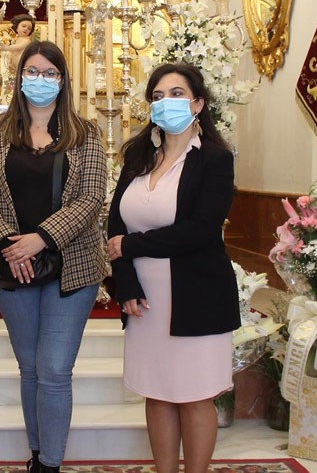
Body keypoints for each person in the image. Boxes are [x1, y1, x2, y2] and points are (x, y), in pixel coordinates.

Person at [0, 41, 108, 473]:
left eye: (51, 73)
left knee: (53, 368)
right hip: (11, 265)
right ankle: (36, 454)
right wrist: (12, 244)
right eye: (33, 71)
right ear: (19, 77)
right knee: (29, 366)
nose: (41, 80)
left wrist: (41, 238)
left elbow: (91, 199)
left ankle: (50, 464)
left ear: (63, 80)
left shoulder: (86, 134)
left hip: (74, 266)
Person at [106, 62, 239, 473]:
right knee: (158, 391)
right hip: (145, 299)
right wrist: (125, 283)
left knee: (195, 394)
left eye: (177, 94)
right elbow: (115, 226)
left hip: (196, 293)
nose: (167, 103)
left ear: (198, 103)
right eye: (159, 96)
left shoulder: (215, 159)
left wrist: (131, 245)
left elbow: (199, 229)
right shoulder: (138, 156)